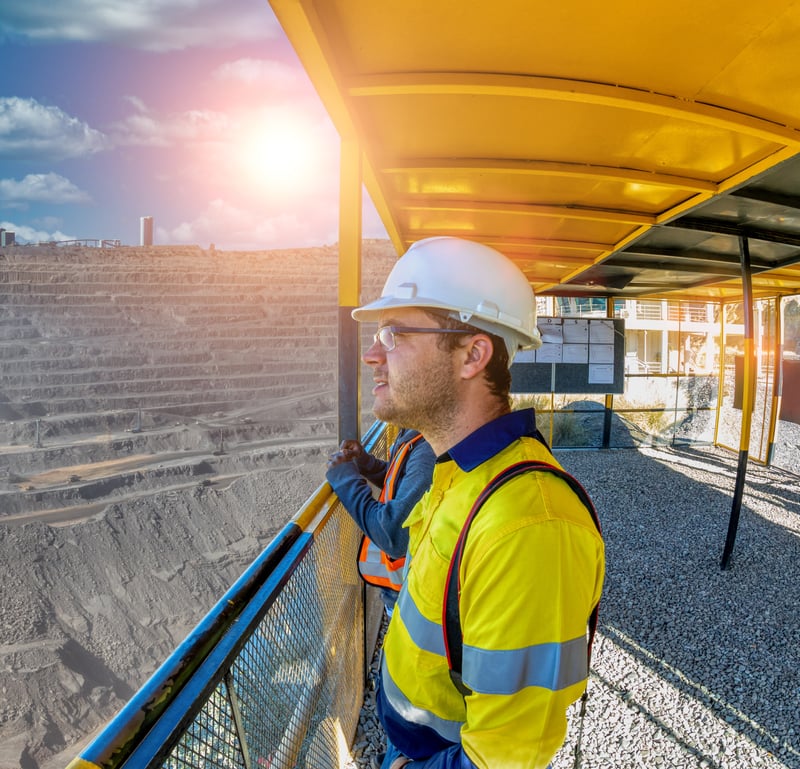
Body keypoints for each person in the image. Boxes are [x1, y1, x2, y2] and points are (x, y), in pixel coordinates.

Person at [349, 236, 606, 769]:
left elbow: (502, 760)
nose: (373, 353)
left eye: (394, 334)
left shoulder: (529, 526)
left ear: (472, 354)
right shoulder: (457, 469)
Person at [326, 428, 435, 613]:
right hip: (403, 589)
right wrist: (365, 462)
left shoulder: (428, 450)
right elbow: (403, 483)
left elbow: (392, 534)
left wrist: (345, 480)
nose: (377, 397)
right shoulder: (414, 434)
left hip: (409, 597)